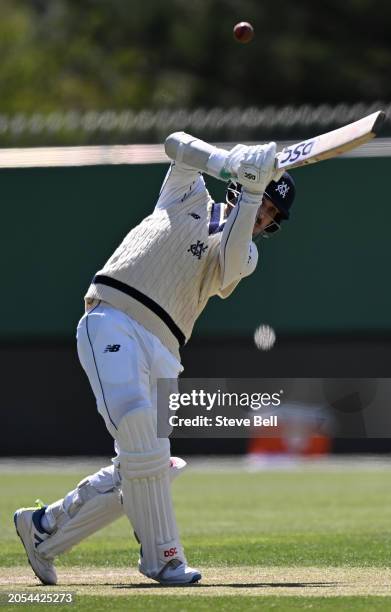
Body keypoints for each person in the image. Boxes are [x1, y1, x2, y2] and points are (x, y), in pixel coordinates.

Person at [14, 133, 296, 586]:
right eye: (264, 204)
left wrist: (250, 194)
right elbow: (176, 143)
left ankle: (44, 528)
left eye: (270, 215)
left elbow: (226, 255)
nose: (263, 215)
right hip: (113, 317)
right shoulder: (186, 193)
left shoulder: (247, 253)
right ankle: (164, 559)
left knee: (146, 465)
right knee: (137, 421)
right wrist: (231, 164)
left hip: (166, 350)